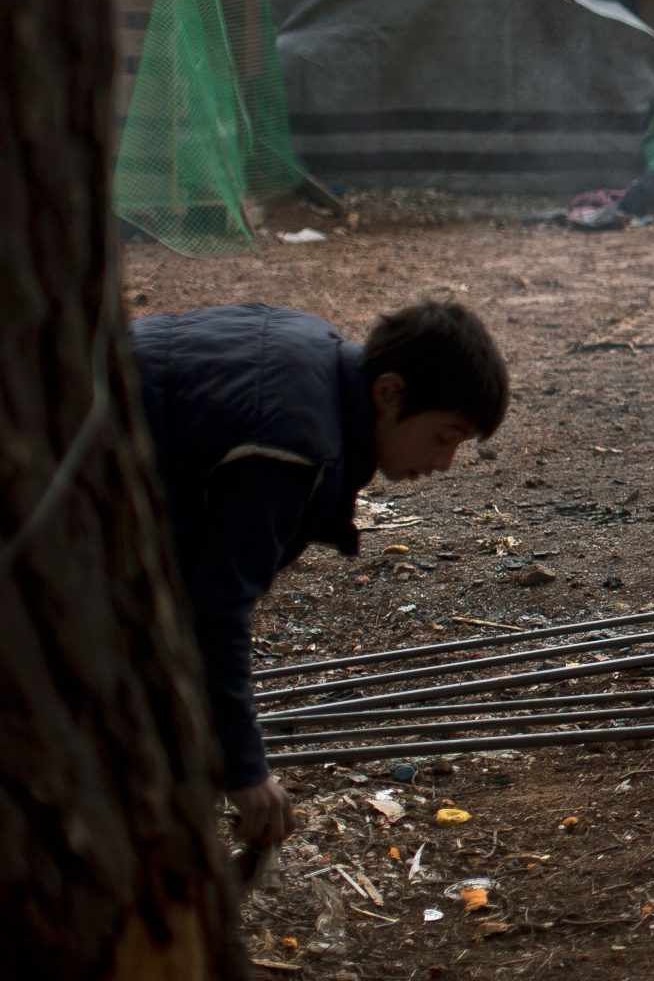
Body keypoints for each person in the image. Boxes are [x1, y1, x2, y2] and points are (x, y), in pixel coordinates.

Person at [134, 300, 509, 848]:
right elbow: (214, 611)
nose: (444, 462)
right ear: (389, 393)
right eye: (442, 437)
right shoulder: (294, 446)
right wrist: (245, 771)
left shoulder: (317, 355)